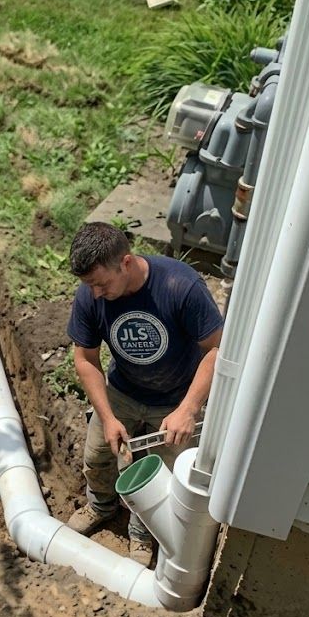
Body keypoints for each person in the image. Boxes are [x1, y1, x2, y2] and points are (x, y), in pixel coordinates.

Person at [66, 222, 223, 564]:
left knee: (161, 477)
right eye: (89, 286)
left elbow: (217, 350)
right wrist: (107, 417)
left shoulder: (180, 286)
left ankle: (143, 534)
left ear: (125, 262)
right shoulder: (91, 295)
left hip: (176, 399)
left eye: (101, 284)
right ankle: (101, 506)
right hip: (124, 391)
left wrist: (189, 408)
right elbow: (86, 358)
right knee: (97, 456)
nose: (95, 294)